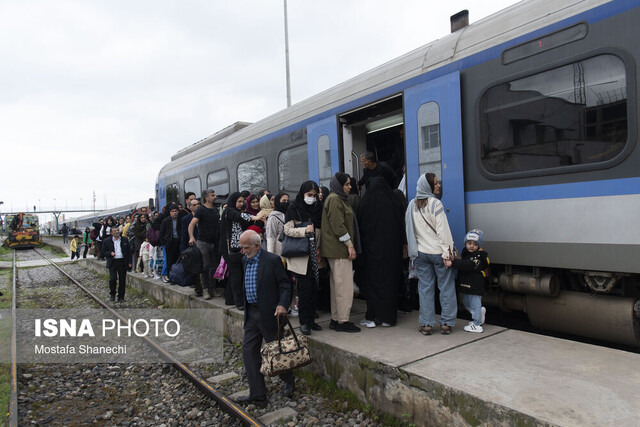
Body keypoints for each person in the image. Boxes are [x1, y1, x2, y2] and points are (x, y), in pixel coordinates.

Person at [236, 230, 294, 405]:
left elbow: (285, 285)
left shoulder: (272, 260)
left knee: (277, 351)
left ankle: (288, 379)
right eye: (242, 247)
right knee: (249, 352)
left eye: (246, 247)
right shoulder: (244, 260)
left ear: (257, 245)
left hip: (269, 313)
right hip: (252, 313)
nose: (243, 250)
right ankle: (258, 394)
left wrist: (283, 304)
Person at [405, 173, 457, 335]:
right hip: (438, 253)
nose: (438, 186)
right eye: (435, 183)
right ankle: (446, 323)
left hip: (420, 254)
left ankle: (426, 324)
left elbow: (409, 231)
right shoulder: (436, 204)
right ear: (428, 186)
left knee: (425, 288)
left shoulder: (412, 205)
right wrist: (447, 254)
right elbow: (443, 231)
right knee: (446, 287)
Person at [357, 177, 407, 327]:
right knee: (389, 284)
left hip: (371, 253)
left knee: (372, 284)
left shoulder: (365, 204)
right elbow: (401, 227)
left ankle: (372, 317)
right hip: (391, 253)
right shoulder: (394, 202)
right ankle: (388, 318)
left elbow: (360, 229)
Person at [320, 172, 361, 333]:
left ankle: (336, 319)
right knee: (344, 287)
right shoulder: (335, 199)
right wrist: (350, 245)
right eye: (347, 184)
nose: (350, 187)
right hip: (339, 250)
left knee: (337, 285)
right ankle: (343, 321)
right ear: (339, 186)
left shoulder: (335, 199)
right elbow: (338, 226)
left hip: (336, 249)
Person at [284, 181, 324, 335]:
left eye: (314, 196)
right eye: (309, 195)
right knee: (304, 290)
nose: (312, 198)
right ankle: (303, 322)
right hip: (302, 256)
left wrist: (320, 247)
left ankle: (311, 320)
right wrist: (304, 231)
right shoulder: (294, 208)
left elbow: (320, 230)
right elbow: (287, 230)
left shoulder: (318, 208)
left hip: (316, 255)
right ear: (303, 194)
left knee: (315, 289)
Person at [220, 192, 266, 310]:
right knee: (236, 275)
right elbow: (238, 217)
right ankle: (238, 302)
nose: (241, 204)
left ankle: (230, 299)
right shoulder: (229, 211)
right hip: (230, 249)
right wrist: (253, 217)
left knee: (235, 274)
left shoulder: (239, 212)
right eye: (239, 201)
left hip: (239, 248)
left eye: (242, 202)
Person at [451, 229, 489, 333]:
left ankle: (477, 323)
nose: (471, 246)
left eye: (475, 244)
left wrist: (453, 263)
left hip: (476, 285)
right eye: (469, 243)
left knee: (475, 301)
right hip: (467, 284)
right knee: (466, 301)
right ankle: (479, 313)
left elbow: (469, 265)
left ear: (479, 246)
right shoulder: (465, 252)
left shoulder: (480, 257)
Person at [189, 189, 220, 299]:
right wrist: (192, 237)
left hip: (214, 242)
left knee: (214, 267)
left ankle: (213, 288)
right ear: (207, 198)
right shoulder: (201, 210)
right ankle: (205, 289)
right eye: (213, 195)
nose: (215, 197)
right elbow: (192, 224)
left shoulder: (216, 210)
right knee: (205, 266)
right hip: (203, 242)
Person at [101, 226, 132, 302]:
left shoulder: (124, 240)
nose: (117, 232)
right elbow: (103, 252)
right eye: (115, 231)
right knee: (113, 279)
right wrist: (109, 253)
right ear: (111, 233)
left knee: (122, 280)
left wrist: (129, 262)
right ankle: (112, 295)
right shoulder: (107, 241)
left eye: (118, 230)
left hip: (122, 262)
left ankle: (121, 297)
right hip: (113, 262)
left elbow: (129, 252)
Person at [160, 205, 181, 282]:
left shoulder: (180, 220)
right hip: (169, 243)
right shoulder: (166, 221)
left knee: (178, 260)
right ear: (170, 213)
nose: (175, 213)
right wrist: (165, 242)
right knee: (169, 261)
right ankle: (170, 276)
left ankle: (177, 277)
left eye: (176, 211)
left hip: (178, 241)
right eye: (173, 211)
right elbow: (161, 233)